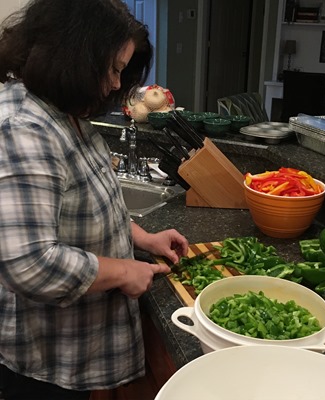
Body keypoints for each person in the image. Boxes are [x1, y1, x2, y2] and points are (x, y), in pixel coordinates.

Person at [0, 0, 189, 399]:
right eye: (114, 68)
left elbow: (84, 202)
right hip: (41, 359)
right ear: (73, 54)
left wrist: (140, 237)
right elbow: (29, 263)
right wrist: (123, 271)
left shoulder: (64, 109)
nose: (118, 84)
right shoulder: (24, 128)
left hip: (72, 346)